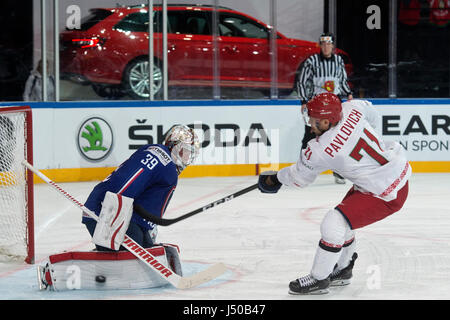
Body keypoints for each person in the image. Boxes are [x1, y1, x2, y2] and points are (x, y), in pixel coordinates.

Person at [258, 93, 411, 295]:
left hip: (384, 193)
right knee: (345, 222)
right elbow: (372, 113)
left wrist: (275, 179)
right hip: (390, 175)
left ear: (325, 121)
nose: (309, 125)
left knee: (333, 224)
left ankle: (319, 279)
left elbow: (300, 178)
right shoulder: (352, 108)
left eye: (312, 121)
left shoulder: (320, 148)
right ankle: (343, 269)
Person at [82, 124, 200, 251]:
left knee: (144, 247)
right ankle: (106, 256)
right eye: (185, 151)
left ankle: (108, 253)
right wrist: (107, 211)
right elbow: (126, 183)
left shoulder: (151, 149)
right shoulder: (168, 169)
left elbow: (133, 186)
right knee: (137, 253)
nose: (187, 158)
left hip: (104, 208)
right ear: (174, 145)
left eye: (190, 153)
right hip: (106, 213)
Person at [297, 32, 353, 184]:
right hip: (316, 107)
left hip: (333, 107)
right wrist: (304, 100)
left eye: (328, 44)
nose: (326, 47)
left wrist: (348, 93)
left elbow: (342, 80)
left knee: (336, 138)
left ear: (333, 45)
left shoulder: (338, 61)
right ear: (320, 45)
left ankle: (338, 171)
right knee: (309, 137)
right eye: (323, 44)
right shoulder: (312, 61)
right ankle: (302, 170)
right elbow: (302, 81)